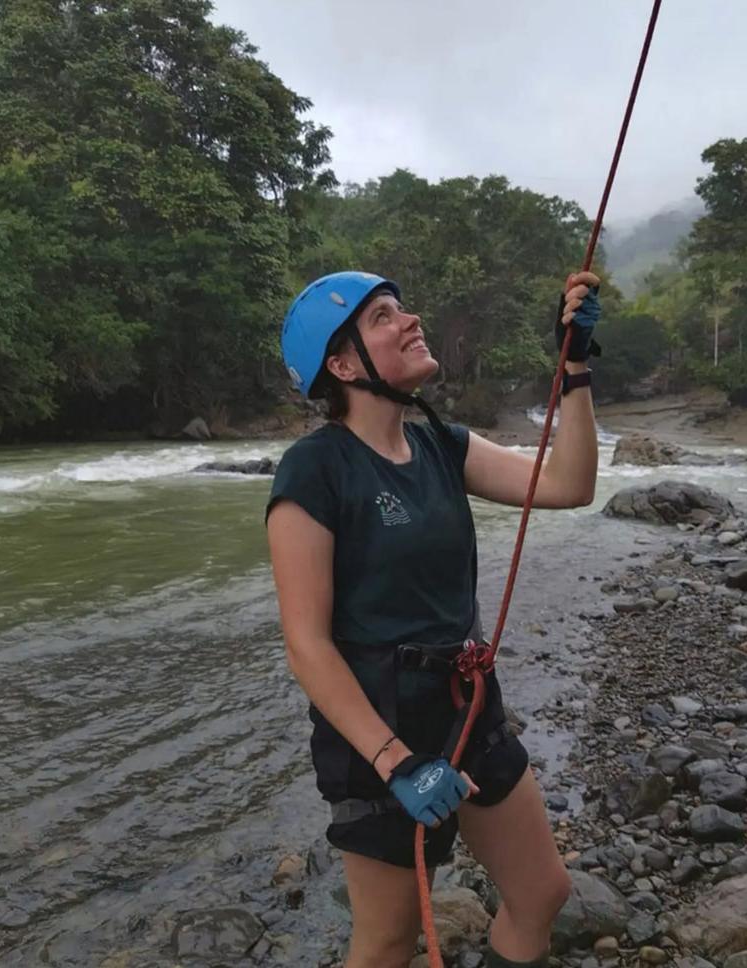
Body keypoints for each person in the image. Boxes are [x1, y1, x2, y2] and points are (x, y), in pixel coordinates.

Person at [266, 270, 600, 968]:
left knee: (542, 892)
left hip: (468, 705)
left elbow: (569, 486)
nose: (411, 319)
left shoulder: (442, 447)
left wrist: (574, 366)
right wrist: (395, 762)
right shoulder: (313, 470)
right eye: (384, 316)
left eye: (401, 307)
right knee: (389, 940)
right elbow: (307, 644)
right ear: (344, 362)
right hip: (379, 728)